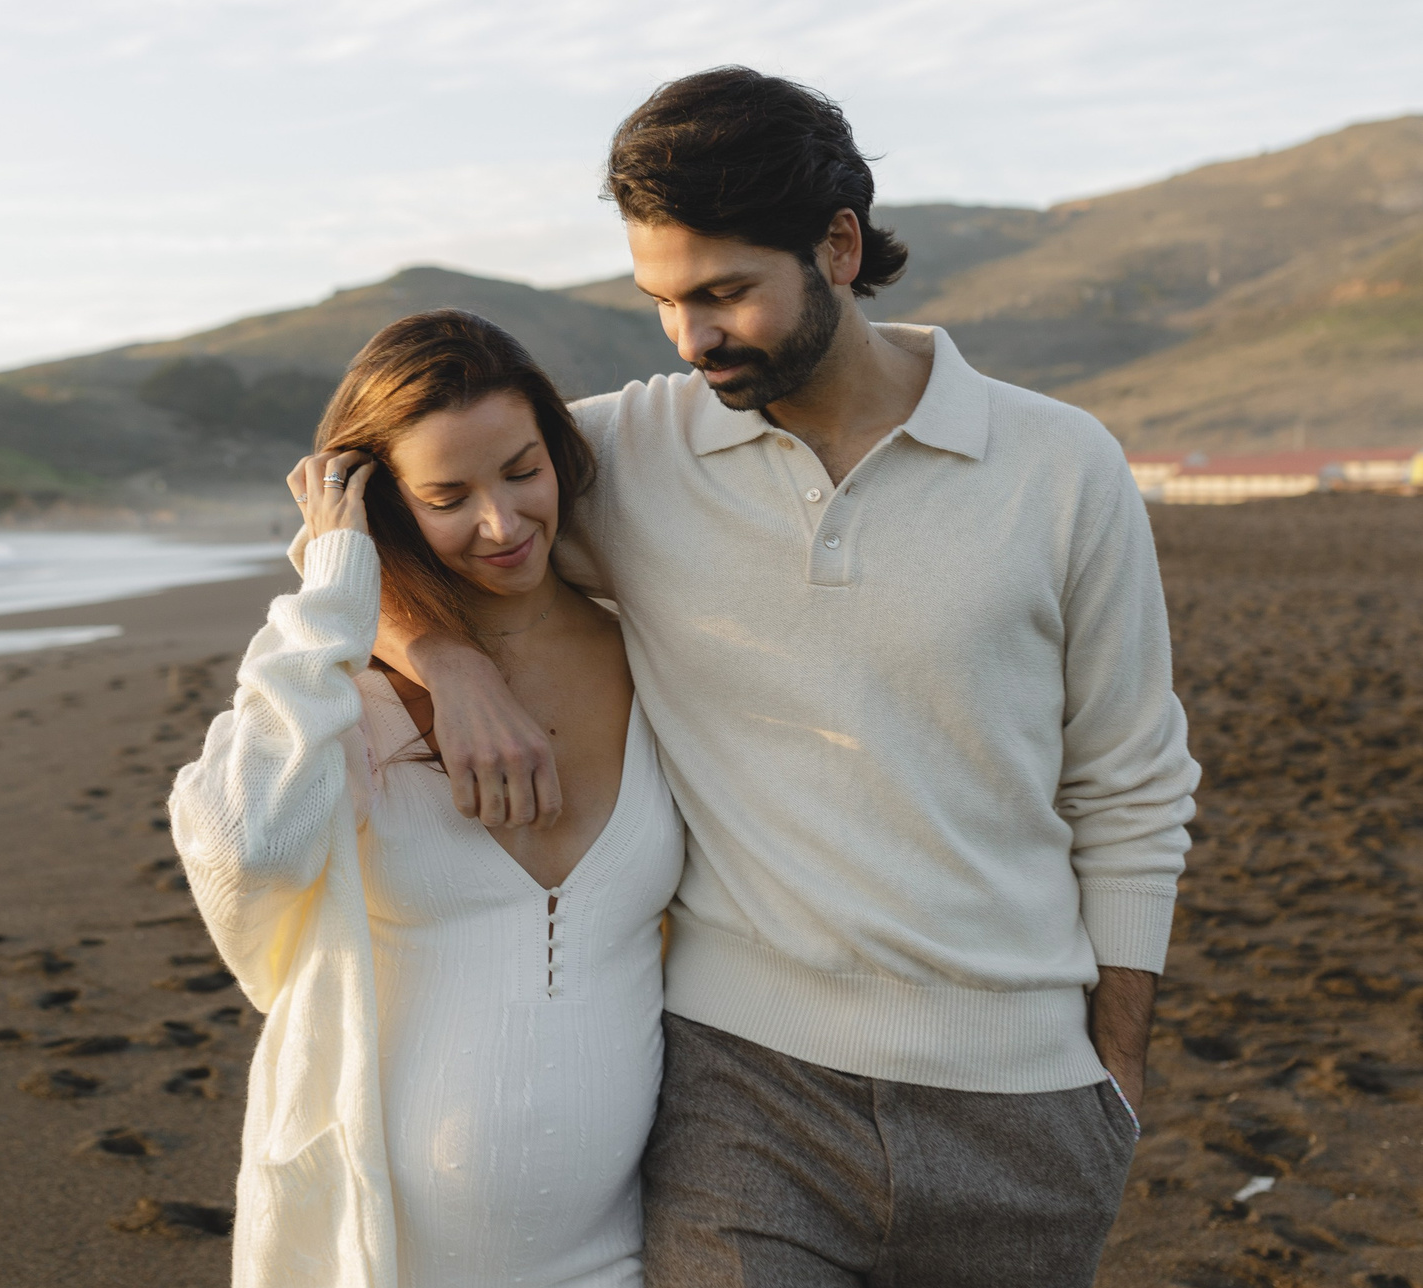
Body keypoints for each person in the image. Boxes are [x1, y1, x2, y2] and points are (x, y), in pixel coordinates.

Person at [381, 68, 1202, 1287]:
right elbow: (372, 511)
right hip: (742, 1088)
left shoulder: (1060, 464)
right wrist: (442, 658)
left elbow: (1131, 781)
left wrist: (1112, 1082)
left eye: (724, 293)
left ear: (837, 244)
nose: (690, 336)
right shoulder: (622, 452)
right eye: (662, 298)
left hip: (1026, 1104)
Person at [168, 310, 685, 1287]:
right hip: (381, 1257)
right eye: (447, 495)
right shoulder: (338, 692)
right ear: (385, 504)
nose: (500, 523)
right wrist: (334, 591)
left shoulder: (653, 654)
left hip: (622, 1256)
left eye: (521, 471)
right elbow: (248, 850)